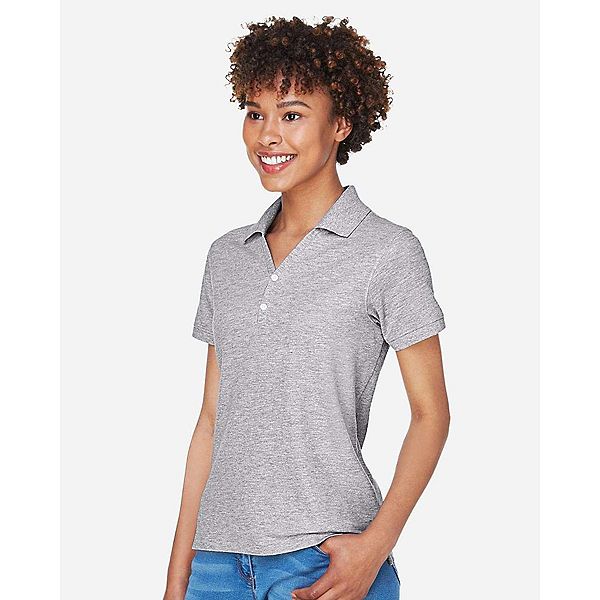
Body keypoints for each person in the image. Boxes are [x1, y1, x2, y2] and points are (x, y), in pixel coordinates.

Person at [164, 15, 450, 600]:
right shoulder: (227, 257)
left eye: (292, 115)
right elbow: (211, 420)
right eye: (255, 112)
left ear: (341, 123)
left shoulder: (388, 252)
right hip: (215, 567)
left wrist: (374, 548)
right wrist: (178, 578)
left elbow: (431, 415)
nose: (268, 135)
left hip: (324, 561)